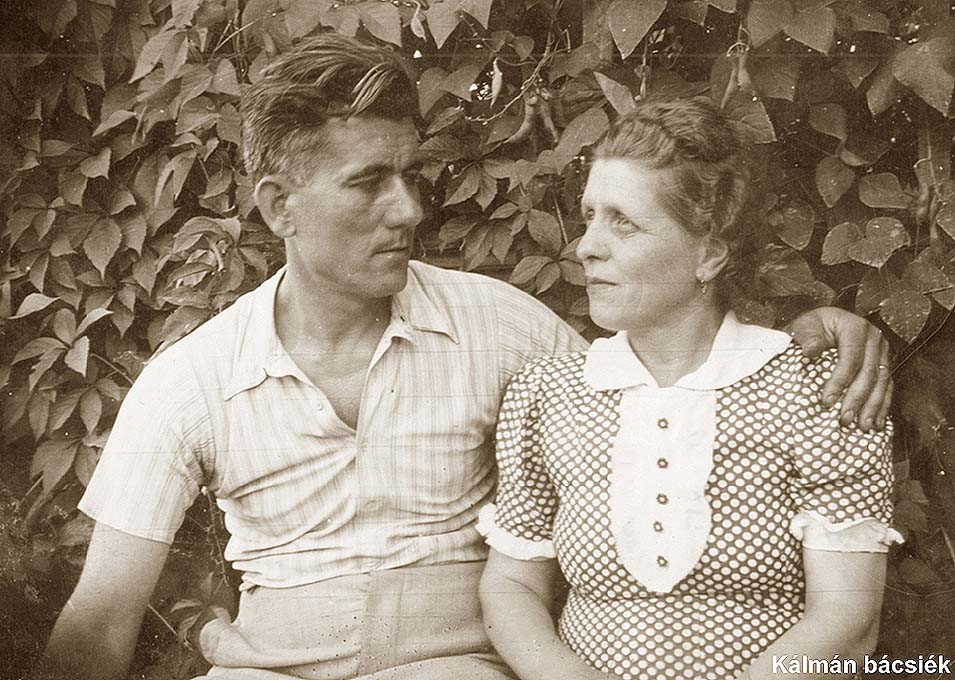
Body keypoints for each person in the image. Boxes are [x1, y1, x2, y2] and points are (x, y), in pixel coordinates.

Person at [41, 35, 891, 680]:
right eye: (367, 182)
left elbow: (660, 369)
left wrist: (818, 327)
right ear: (276, 207)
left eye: (409, 175)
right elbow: (102, 617)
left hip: (451, 665)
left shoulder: (497, 326)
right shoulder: (193, 379)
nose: (408, 210)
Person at [478, 97, 901, 680]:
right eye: (589, 216)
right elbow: (512, 585)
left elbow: (848, 619)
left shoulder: (815, 391)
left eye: (623, 221)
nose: (586, 247)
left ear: (709, 254)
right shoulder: (549, 393)